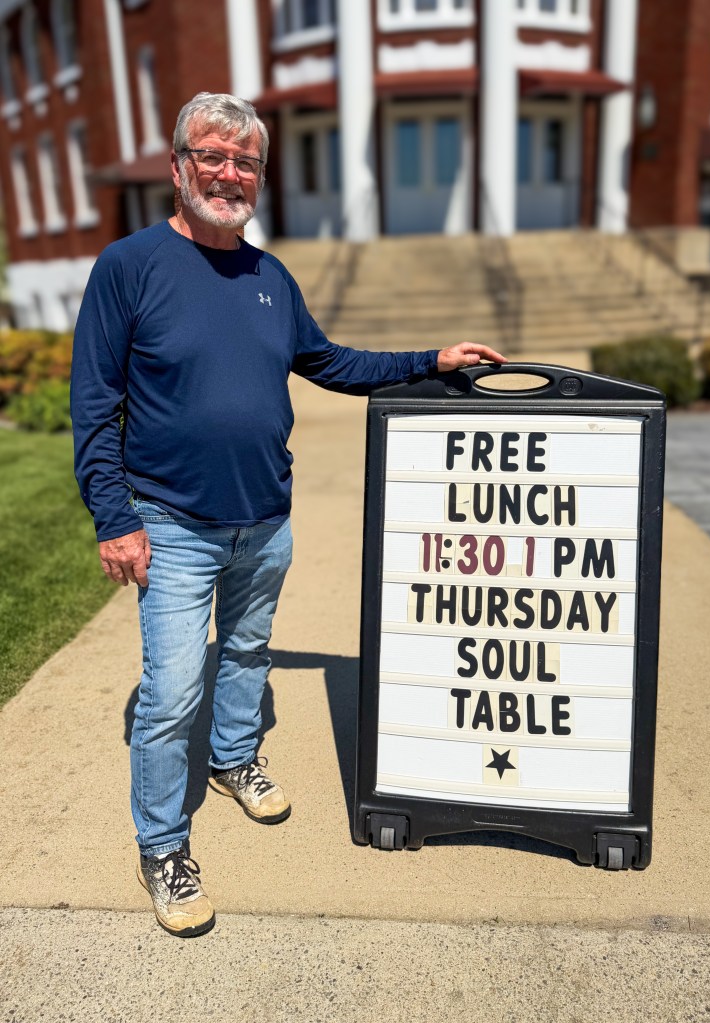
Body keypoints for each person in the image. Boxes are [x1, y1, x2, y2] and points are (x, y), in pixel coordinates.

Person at [70, 92, 506, 938]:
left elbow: (330, 360)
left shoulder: (271, 277)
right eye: (213, 155)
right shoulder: (130, 266)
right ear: (178, 165)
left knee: (248, 650)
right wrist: (112, 516)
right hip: (172, 521)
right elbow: (95, 403)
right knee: (168, 694)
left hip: (266, 517)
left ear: (260, 177)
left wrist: (430, 360)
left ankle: (234, 759)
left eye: (246, 162)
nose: (230, 173)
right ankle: (162, 844)